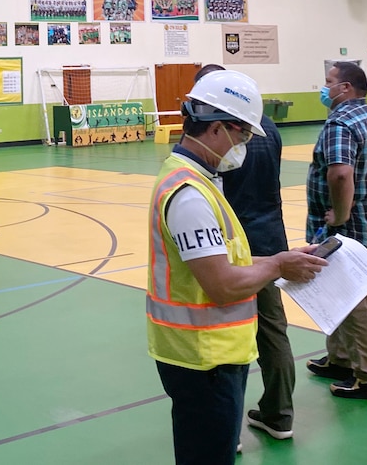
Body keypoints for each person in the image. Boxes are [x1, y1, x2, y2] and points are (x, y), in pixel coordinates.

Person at [147, 69, 327, 465]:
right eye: (243, 134)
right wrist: (277, 262)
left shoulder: (196, 178)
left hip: (206, 355)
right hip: (204, 358)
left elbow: (224, 259)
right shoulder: (191, 195)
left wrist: (284, 262)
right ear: (217, 129)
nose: (244, 144)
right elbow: (223, 284)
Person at [193, 64, 296, 441]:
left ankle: (227, 431)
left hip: (231, 242)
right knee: (273, 330)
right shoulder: (268, 128)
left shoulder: (218, 138)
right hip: (270, 236)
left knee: (223, 335)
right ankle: (279, 413)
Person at [305, 61, 367, 400]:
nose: (324, 88)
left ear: (345, 88)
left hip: (350, 225)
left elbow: (341, 174)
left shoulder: (340, 122)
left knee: (357, 300)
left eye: (328, 82)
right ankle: (341, 359)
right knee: (340, 293)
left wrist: (339, 218)